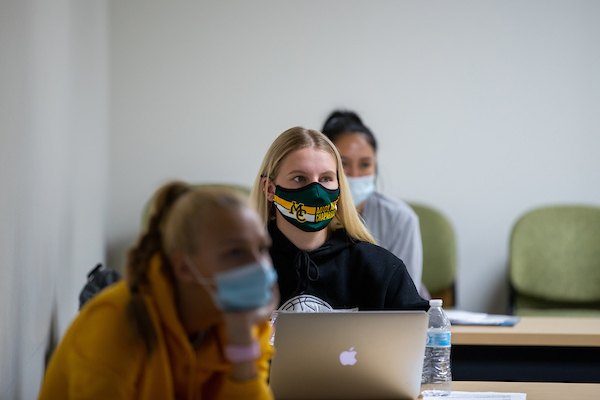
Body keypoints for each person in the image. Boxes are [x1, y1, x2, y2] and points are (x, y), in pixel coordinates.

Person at [38, 183, 278, 400]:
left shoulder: (243, 321)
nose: (260, 266)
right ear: (184, 268)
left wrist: (242, 340)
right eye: (235, 253)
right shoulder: (117, 321)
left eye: (262, 248)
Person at [250, 126, 428, 313]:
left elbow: (418, 334)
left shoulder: (379, 268)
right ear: (270, 189)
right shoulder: (244, 266)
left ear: (340, 187)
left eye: (326, 179)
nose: (316, 192)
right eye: (299, 178)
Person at [321, 110, 430, 299]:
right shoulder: (308, 215)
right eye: (344, 164)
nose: (354, 175)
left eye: (365, 164)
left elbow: (403, 298)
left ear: (375, 166)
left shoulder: (400, 218)